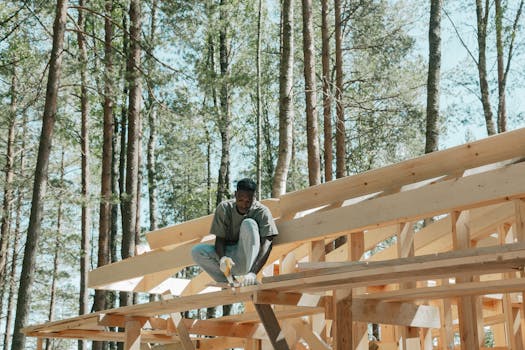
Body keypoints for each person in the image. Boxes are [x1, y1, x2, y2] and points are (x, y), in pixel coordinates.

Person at [191, 178, 278, 286]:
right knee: (197, 251)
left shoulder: (262, 212)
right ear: (235, 194)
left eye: (248, 201)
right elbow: (220, 240)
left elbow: (267, 245)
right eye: (241, 200)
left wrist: (253, 273)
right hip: (231, 260)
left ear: (254, 198)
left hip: (249, 260)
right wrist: (222, 258)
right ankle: (230, 281)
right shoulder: (224, 208)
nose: (244, 205)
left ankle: (248, 276)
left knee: (248, 223)